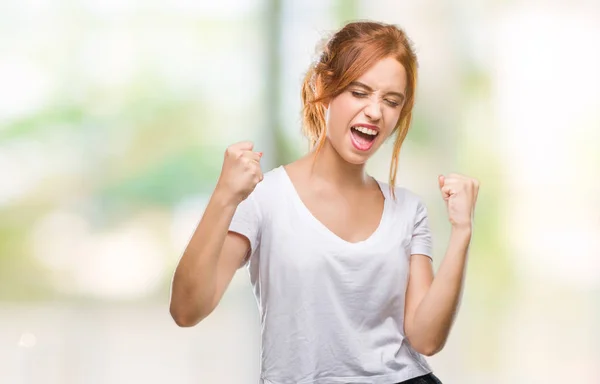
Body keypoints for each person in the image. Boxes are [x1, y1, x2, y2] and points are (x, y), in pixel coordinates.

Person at [170, 20, 479, 384]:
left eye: (391, 101)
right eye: (359, 92)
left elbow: (426, 339)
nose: (375, 112)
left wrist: (462, 231)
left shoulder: (408, 210)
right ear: (324, 88)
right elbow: (187, 310)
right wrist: (223, 197)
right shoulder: (265, 198)